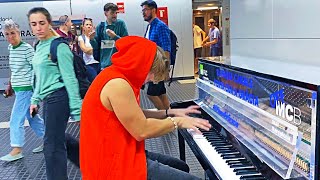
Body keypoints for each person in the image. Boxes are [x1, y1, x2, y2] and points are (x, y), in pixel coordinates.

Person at [80, 36, 211, 179]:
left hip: (119, 150)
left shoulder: (117, 75)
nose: (151, 80)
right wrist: (178, 122)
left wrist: (169, 112)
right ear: (141, 66)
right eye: (152, 75)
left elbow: (135, 115)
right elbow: (141, 130)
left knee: (181, 166)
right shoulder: (118, 84)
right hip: (112, 164)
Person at [27, 7, 82, 180]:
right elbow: (39, 77)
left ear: (49, 23)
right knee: (58, 138)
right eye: (34, 24)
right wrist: (35, 99)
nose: (38, 28)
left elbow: (70, 79)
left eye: (42, 23)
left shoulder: (59, 46)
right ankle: (90, 163)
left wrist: (77, 111)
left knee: (52, 146)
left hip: (59, 98)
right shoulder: (38, 45)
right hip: (48, 99)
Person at [0, 19, 45, 162]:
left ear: (19, 33)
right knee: (32, 118)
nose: (10, 37)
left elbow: (37, 68)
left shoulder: (26, 48)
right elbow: (14, 70)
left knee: (15, 120)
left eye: (13, 33)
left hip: (27, 90)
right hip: (19, 89)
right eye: (7, 34)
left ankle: (17, 149)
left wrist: (36, 92)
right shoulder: (10, 48)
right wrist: (10, 86)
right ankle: (50, 141)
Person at [141, 0, 171, 110]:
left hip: (158, 68)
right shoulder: (149, 27)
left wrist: (166, 70)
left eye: (145, 10)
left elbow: (166, 48)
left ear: (153, 10)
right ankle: (171, 117)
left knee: (151, 94)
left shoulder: (160, 26)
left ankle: (164, 118)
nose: (143, 13)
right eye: (142, 11)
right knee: (161, 93)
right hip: (152, 67)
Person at [90, 3, 128, 69]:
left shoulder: (121, 24)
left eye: (116, 13)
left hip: (119, 65)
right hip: (104, 66)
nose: (115, 15)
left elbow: (126, 43)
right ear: (106, 14)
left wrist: (115, 37)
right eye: (112, 13)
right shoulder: (100, 27)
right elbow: (96, 47)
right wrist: (92, 39)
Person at [78, 18, 100, 82]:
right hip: (88, 64)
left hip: (98, 63)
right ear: (83, 27)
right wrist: (94, 49)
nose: (89, 26)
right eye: (87, 24)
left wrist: (92, 50)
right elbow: (85, 50)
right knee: (95, 81)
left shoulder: (95, 38)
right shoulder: (81, 38)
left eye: (90, 25)